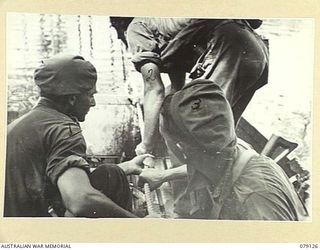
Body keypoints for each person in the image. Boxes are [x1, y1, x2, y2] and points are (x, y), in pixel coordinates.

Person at [4, 54, 151, 217]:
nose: (93, 103)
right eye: (90, 95)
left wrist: (127, 167)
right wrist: (138, 223)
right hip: (35, 231)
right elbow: (79, 200)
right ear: (72, 98)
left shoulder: (20, 124)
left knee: (111, 173)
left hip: (13, 222)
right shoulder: (64, 129)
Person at [139, 79, 306, 220]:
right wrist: (163, 175)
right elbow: (202, 167)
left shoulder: (253, 198)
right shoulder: (233, 147)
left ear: (181, 148)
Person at [110, 17, 269, 156]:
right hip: (257, 53)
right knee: (224, 136)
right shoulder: (162, 25)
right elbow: (176, 88)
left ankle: (184, 181)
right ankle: (218, 183)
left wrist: (146, 146)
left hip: (229, 50)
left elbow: (154, 89)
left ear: (120, 27)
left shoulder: (135, 29)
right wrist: (146, 101)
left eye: (118, 35)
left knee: (195, 131)